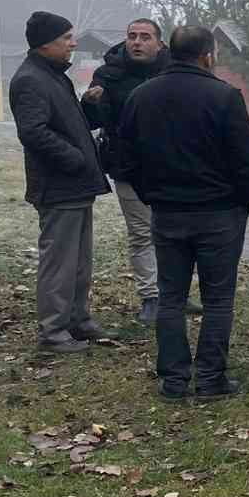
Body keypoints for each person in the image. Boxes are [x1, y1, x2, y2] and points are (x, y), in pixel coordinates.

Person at [117, 25, 249, 400]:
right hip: (219, 213)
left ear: (170, 50)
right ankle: (211, 379)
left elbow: (123, 156)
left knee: (171, 297)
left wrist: (151, 195)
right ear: (208, 54)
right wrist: (243, 202)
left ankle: (174, 380)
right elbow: (246, 161)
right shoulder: (225, 97)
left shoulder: (141, 96)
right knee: (218, 300)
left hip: (167, 212)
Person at [7, 11, 111, 354]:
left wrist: (85, 105)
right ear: (45, 44)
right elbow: (33, 132)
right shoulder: (30, 80)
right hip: (59, 186)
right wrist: (75, 158)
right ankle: (53, 332)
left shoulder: (53, 76)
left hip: (76, 186)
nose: (73, 43)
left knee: (80, 260)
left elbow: (62, 123)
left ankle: (77, 320)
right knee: (60, 262)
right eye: (67, 38)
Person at [82, 18, 171, 324]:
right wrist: (90, 103)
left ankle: (174, 294)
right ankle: (150, 297)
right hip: (128, 165)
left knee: (174, 233)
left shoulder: (174, 69)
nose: (137, 42)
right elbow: (92, 121)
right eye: (132, 36)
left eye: (145, 37)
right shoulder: (108, 74)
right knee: (142, 233)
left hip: (173, 165)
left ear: (159, 43)